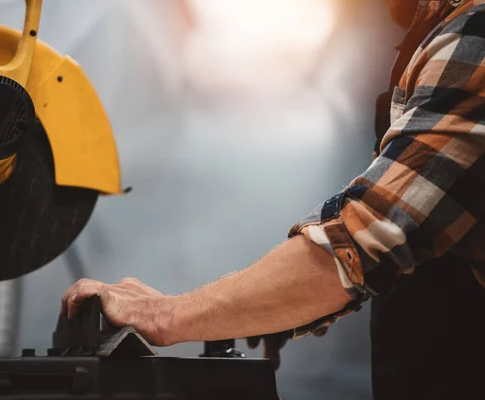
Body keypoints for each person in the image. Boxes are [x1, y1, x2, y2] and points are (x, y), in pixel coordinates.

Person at [62, 1, 485, 398]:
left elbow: (363, 238)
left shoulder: (476, 32)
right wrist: (260, 302)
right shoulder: (432, 32)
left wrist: (161, 315)